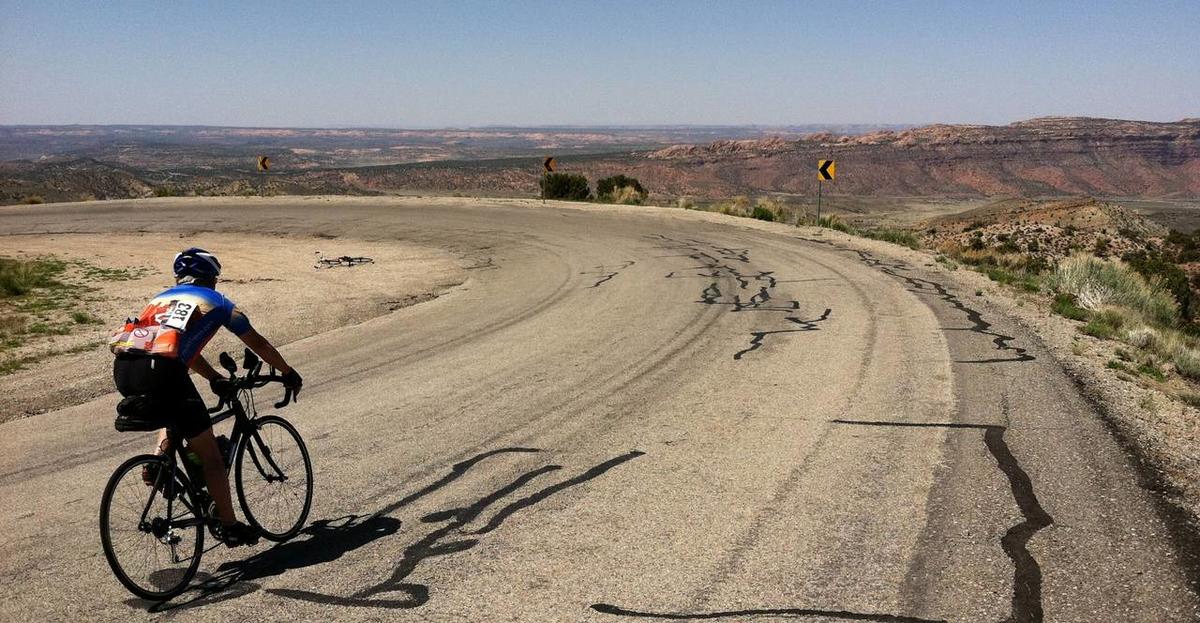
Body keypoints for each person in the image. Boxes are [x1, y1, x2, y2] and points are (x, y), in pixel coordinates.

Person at [109, 247, 302, 547]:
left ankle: (159, 464)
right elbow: (257, 342)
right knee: (210, 454)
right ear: (209, 278)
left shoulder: (160, 299)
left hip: (124, 370)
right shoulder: (216, 302)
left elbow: (178, 348)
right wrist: (288, 372)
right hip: (163, 371)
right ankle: (230, 525)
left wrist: (214, 378)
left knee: (172, 410)